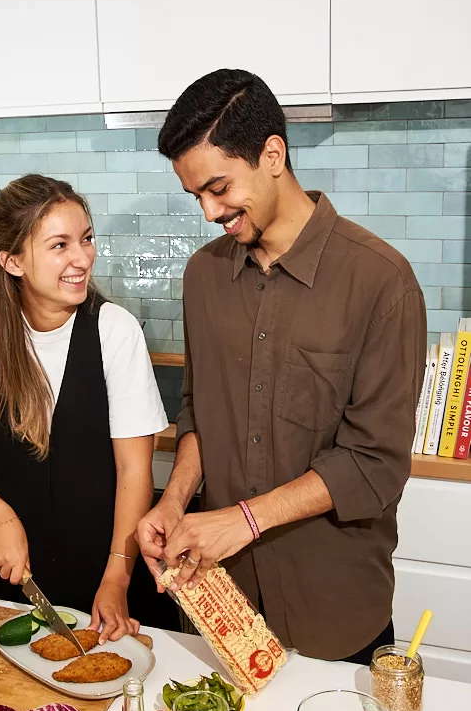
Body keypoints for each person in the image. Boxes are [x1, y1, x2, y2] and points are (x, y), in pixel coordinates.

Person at [136, 69, 427, 663]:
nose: (210, 211)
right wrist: (174, 501)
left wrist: (241, 520)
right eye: (196, 195)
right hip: (226, 607)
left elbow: (374, 464)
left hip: (336, 612)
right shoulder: (203, 277)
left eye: (219, 187)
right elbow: (200, 412)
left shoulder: (381, 281)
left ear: (273, 154)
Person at [0, 174, 178, 642]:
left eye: (86, 238)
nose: (83, 258)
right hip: (19, 568)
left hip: (109, 568)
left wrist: (118, 574)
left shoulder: (114, 330)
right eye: (60, 245)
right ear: (12, 261)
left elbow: (134, 470)